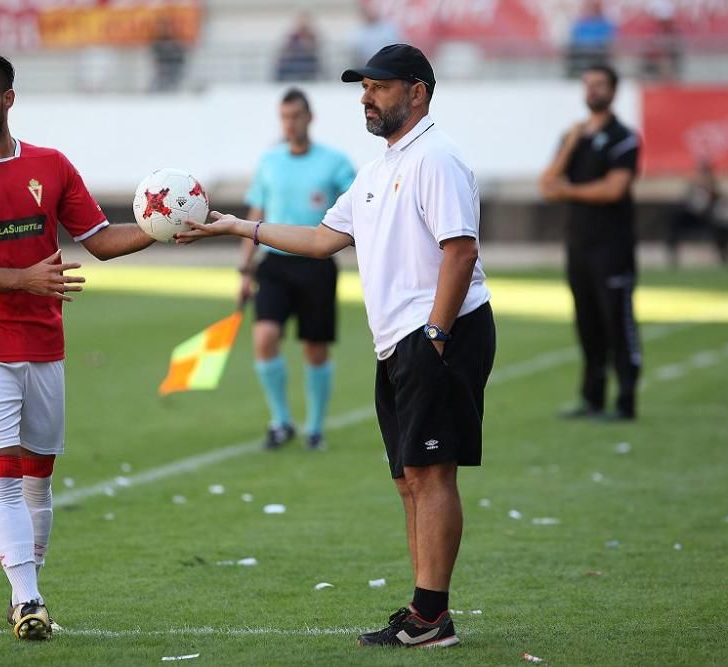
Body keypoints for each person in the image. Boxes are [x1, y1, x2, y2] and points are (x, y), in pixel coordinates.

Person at [178, 44, 495, 649]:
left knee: (431, 475)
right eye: (363, 87)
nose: (365, 97)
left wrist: (436, 334)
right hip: (401, 341)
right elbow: (324, 239)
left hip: (439, 334)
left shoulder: (437, 157)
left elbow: (461, 251)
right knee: (409, 478)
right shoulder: (378, 169)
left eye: (377, 87)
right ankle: (424, 607)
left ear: (417, 92)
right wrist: (239, 226)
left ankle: (432, 618)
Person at [0, 51, 155, 640]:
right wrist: (23, 279)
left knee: (38, 475)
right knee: (1, 472)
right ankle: (27, 598)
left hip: (45, 340)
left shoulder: (50, 166)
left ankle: (29, 594)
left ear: (8, 98)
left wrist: (165, 229)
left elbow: (99, 240)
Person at [238, 88, 355, 450]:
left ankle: (315, 427)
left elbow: (359, 210)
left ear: (310, 117)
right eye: (284, 117)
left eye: (296, 116)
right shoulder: (269, 162)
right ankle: (281, 422)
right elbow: (255, 216)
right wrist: (245, 270)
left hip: (317, 265)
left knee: (315, 349)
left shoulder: (335, 162)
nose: (290, 123)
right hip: (273, 264)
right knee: (265, 338)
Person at [540, 63, 642, 421]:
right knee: (587, 324)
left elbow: (615, 189)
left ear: (614, 90)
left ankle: (626, 400)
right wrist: (570, 143)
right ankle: (593, 398)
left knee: (618, 324)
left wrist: (570, 190)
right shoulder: (574, 136)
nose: (593, 91)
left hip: (612, 248)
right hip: (579, 246)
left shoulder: (623, 137)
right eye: (588, 85)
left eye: (600, 85)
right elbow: (548, 184)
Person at [566, 0, 616, 78]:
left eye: (593, 8)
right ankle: (574, 74)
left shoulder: (605, 23)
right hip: (583, 50)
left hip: (598, 51)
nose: (591, 10)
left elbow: (608, 38)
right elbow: (576, 37)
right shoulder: (580, 23)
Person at [275, 14, 321, 82]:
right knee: (282, 67)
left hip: (306, 62)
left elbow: (311, 49)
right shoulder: (294, 36)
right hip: (294, 61)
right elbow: (288, 48)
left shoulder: (311, 36)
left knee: (302, 66)